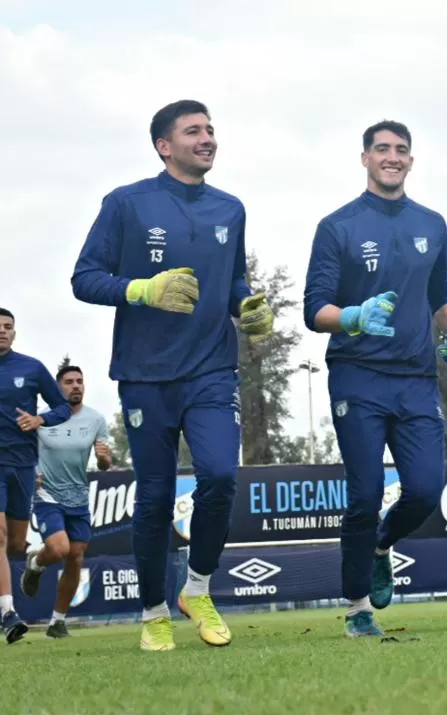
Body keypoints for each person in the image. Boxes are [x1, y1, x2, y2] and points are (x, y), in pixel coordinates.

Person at [70, 99, 275, 652]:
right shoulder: (126, 204)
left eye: (211, 130)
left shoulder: (231, 209)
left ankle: (199, 588)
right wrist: (141, 289)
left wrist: (248, 306)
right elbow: (84, 278)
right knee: (155, 499)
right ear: (164, 146)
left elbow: (234, 282)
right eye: (194, 131)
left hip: (212, 370)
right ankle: (153, 611)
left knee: (220, 477)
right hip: (145, 375)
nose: (208, 138)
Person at [303, 120, 447, 637]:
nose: (392, 157)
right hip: (357, 375)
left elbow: (441, 290)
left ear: (411, 160)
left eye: (401, 150)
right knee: (365, 491)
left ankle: (381, 545)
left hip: (418, 377)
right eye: (382, 149)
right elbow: (315, 310)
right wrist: (352, 317)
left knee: (425, 490)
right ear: (365, 159)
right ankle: (357, 607)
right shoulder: (338, 226)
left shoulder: (432, 223)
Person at [20, 365, 111, 637]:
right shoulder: (41, 419)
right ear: (58, 388)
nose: (76, 386)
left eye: (80, 381)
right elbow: (23, 452)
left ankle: (57, 622)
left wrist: (105, 458)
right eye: (69, 382)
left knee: (75, 556)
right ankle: (36, 563)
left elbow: (105, 463)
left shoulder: (95, 419)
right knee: (59, 549)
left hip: (79, 496)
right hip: (47, 494)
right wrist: (30, 472)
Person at [0, 308, 72, 643]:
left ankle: (30, 560)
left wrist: (39, 420)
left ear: (15, 333)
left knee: (14, 543)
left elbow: (61, 407)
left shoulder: (30, 367)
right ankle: (8, 614)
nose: (2, 331)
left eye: (8, 327)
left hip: (23, 465)